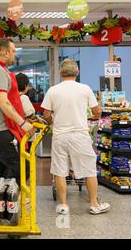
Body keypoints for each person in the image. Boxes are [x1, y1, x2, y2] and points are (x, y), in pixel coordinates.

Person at [41, 59, 110, 215]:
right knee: (89, 170)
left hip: (60, 135)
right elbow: (97, 111)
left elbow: (46, 114)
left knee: (60, 170)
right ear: (77, 72)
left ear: (60, 73)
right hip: (80, 135)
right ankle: (94, 204)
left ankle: (64, 205)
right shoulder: (85, 89)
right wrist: (91, 117)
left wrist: (53, 121)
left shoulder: (53, 90)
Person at [0, 38, 35, 211]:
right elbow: (3, 102)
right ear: (4, 52)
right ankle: (8, 203)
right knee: (22, 167)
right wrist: (23, 123)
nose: (15, 54)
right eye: (13, 51)